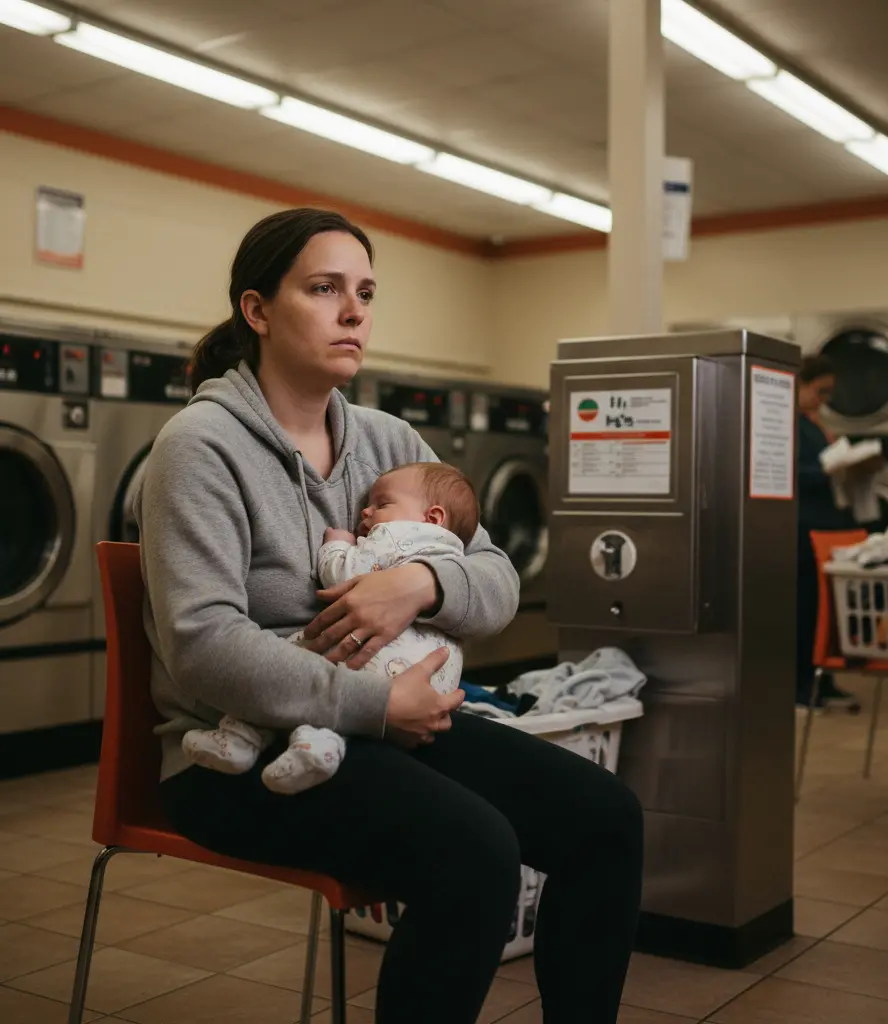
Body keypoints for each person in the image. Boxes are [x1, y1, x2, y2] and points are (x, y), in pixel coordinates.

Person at [137, 207, 643, 1024]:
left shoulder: (388, 439)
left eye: (365, 292)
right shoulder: (199, 446)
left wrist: (418, 585)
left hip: (379, 727)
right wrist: (377, 704)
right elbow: (202, 645)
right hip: (235, 753)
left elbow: (498, 577)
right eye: (325, 288)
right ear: (256, 310)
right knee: (475, 849)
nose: (354, 311)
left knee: (605, 818)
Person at [181, 461, 476, 794]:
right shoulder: (460, 557)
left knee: (293, 654)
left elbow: (347, 575)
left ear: (433, 518)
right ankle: (318, 749)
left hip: (376, 658)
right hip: (431, 685)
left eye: (381, 504)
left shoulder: (400, 535)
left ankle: (238, 737)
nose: (366, 512)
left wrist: (336, 546)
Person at [796, 355, 867, 712]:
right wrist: (828, 469)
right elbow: (792, 472)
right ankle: (803, 684)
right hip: (804, 527)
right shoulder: (786, 423)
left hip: (826, 524)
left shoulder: (814, 424)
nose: (822, 399)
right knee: (807, 608)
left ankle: (822, 679)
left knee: (825, 611)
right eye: (819, 391)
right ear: (799, 384)